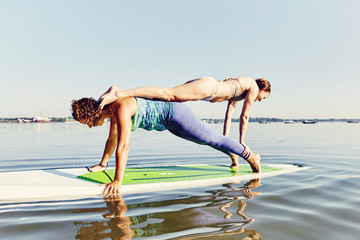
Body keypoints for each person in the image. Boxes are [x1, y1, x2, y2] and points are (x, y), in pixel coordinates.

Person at [71, 96, 261, 195]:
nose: (89, 126)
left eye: (87, 121)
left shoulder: (120, 108)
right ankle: (232, 154)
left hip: (175, 114)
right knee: (205, 140)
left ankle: (249, 155)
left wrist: (117, 181)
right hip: (169, 124)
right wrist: (103, 165)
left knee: (211, 138)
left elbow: (123, 146)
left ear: (93, 114)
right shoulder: (112, 112)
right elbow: (111, 140)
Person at [97, 77, 271, 164]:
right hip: (210, 88)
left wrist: (227, 143)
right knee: (166, 94)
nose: (261, 99)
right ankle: (120, 92)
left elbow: (229, 115)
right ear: (263, 88)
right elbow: (244, 116)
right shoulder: (254, 87)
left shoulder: (242, 88)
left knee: (164, 99)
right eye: (264, 97)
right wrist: (242, 143)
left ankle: (126, 98)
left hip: (208, 87)